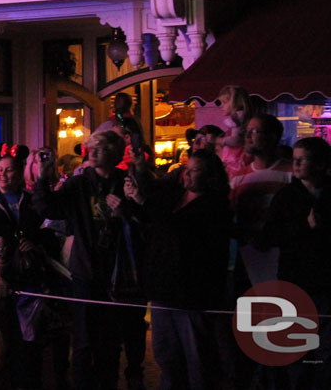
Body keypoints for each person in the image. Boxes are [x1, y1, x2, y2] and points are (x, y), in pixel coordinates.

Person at [33, 129, 147, 390]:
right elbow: (48, 208)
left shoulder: (125, 181)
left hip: (119, 274)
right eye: (90, 148)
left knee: (110, 340)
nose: (92, 153)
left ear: (115, 154)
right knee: (83, 341)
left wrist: (125, 211)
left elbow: (145, 222)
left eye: (100, 148)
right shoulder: (80, 183)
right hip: (85, 271)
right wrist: (42, 176)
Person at [129, 148, 231, 390]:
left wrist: (143, 203)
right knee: (167, 357)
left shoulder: (215, 206)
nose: (188, 175)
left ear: (210, 176)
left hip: (192, 295)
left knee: (197, 360)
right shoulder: (174, 196)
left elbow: (182, 232)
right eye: (187, 169)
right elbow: (153, 223)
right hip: (164, 290)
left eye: (195, 171)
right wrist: (135, 199)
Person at [0, 150, 67, 390]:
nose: (3, 175)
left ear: (19, 174)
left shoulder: (32, 201)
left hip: (30, 280)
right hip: (0, 280)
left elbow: (53, 233)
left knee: (30, 341)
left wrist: (36, 242)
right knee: (1, 337)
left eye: (9, 170)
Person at [258, 136, 331, 387]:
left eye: (303, 159)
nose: (296, 164)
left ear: (320, 164)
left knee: (325, 352)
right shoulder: (287, 196)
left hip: (325, 282)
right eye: (295, 159)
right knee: (298, 349)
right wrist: (305, 227)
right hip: (295, 280)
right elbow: (270, 236)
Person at [230, 113, 292, 287]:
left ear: (272, 137)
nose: (248, 136)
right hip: (249, 258)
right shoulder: (238, 177)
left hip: (283, 258)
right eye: (247, 131)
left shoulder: (291, 172)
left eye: (255, 131)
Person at [216, 85, 257, 176]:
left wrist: (221, 141)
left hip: (236, 160)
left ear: (235, 103)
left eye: (225, 102)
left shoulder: (237, 119)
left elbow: (236, 140)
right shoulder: (240, 119)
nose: (221, 106)